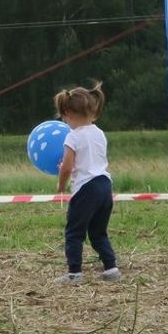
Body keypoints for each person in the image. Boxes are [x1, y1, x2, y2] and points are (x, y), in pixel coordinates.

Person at [54, 81, 121, 284]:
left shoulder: (72, 137)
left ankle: (74, 273)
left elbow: (67, 167)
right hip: (105, 186)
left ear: (67, 113)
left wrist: (61, 186)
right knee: (98, 232)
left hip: (86, 188)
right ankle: (111, 268)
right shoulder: (99, 133)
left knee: (74, 232)